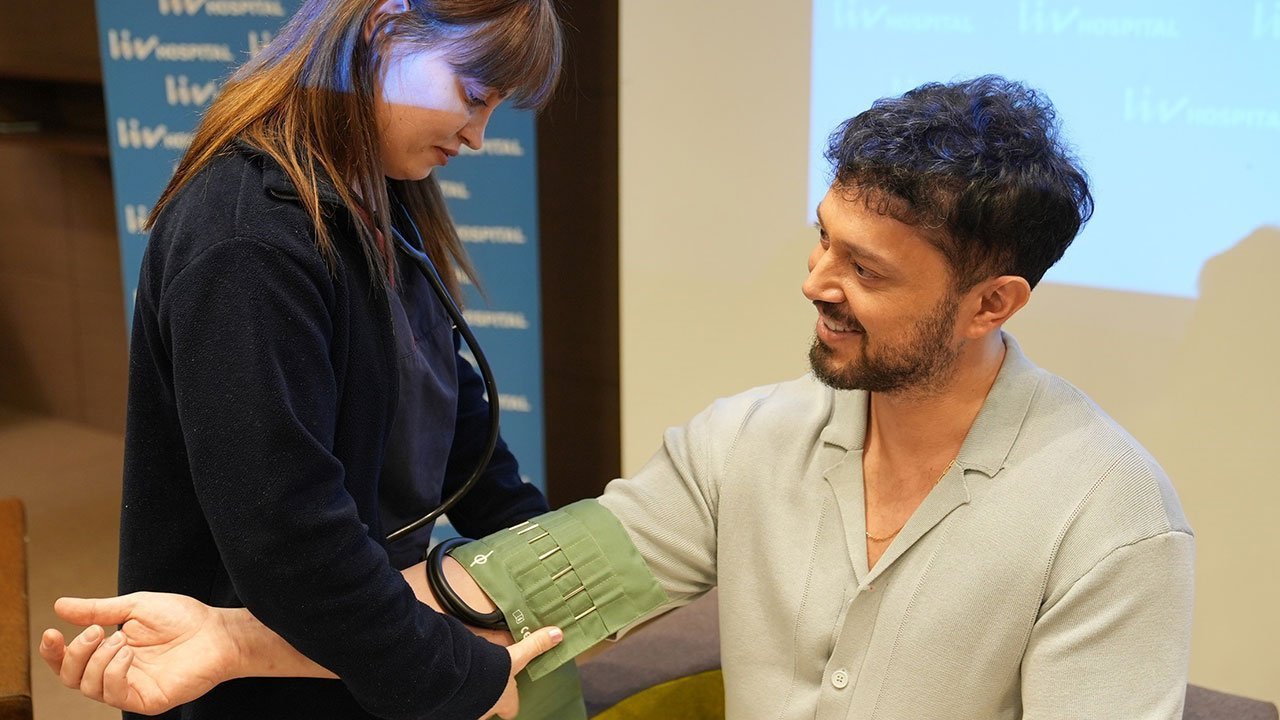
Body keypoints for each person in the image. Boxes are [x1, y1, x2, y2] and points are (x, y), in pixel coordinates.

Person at [43, 76, 1195, 719]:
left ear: (991, 304)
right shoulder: (745, 444)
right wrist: (229, 639)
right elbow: (504, 590)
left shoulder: (1109, 521)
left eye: (866, 270)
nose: (815, 282)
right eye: (821, 240)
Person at [42, 1, 572, 718]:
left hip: (355, 645)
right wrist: (457, 680)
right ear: (384, 27)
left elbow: (450, 413)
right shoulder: (247, 243)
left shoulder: (378, 193)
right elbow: (290, 540)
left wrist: (551, 553)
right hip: (255, 690)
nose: (478, 136)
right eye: (474, 96)